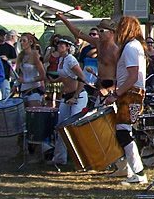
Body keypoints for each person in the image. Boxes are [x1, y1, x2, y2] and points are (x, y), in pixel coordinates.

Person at [104, 16, 147, 185]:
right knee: (126, 131)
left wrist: (116, 93)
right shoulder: (134, 46)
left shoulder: (130, 47)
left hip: (130, 94)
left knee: (124, 132)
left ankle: (138, 172)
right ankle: (132, 169)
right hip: (131, 93)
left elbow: (133, 75)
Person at [56, 15, 119, 103]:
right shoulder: (98, 44)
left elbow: (122, 74)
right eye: (98, 31)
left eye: (102, 31)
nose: (99, 34)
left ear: (111, 33)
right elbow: (79, 34)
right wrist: (63, 19)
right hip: (99, 89)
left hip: (111, 91)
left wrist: (112, 91)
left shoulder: (115, 51)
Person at [51, 37, 89, 168]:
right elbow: (65, 76)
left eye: (63, 44)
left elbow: (82, 78)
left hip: (78, 96)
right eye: (59, 44)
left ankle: (82, 159)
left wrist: (75, 96)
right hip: (67, 96)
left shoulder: (71, 60)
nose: (59, 46)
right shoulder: (61, 60)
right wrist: (54, 81)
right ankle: (60, 158)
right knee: (61, 126)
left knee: (75, 127)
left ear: (68, 47)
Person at [16, 33, 47, 105]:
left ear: (30, 42)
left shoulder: (35, 55)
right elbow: (21, 73)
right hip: (23, 91)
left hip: (34, 91)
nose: (21, 43)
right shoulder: (21, 56)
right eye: (20, 41)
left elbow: (43, 75)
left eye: (24, 41)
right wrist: (16, 84)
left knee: (33, 114)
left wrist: (26, 80)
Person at [0, 29, 18, 100]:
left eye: (4, 35)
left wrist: (8, 59)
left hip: (5, 75)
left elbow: (16, 59)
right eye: (1, 35)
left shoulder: (10, 47)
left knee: (6, 95)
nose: (3, 37)